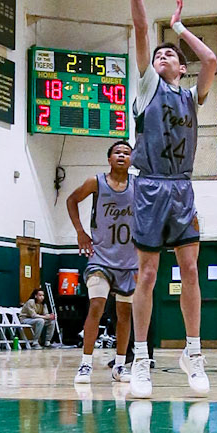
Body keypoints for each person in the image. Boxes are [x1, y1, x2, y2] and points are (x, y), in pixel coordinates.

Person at [121, 0, 216, 398]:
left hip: (181, 187)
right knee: (147, 273)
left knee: (191, 270)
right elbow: (142, 29)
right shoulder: (147, 87)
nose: (161, 56)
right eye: (158, 54)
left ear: (181, 68)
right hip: (149, 187)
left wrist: (179, 27)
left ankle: (193, 353)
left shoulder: (192, 97)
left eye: (170, 55)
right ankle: (141, 360)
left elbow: (210, 59)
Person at [68, 138, 137, 383]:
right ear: (109, 158)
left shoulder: (139, 185)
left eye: (126, 152)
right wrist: (80, 232)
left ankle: (119, 365)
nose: (122, 155)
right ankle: (85, 363)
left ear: (132, 159)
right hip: (100, 257)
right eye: (117, 152)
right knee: (96, 306)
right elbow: (71, 200)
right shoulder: (95, 182)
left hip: (129, 260)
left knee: (124, 314)